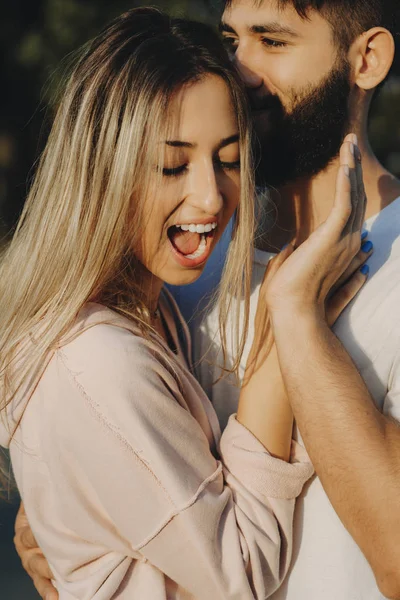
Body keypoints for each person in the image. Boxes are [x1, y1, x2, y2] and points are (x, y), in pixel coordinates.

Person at [0, 7, 371, 600]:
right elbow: (240, 573)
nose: (209, 195)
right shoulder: (97, 358)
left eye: (228, 160)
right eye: (172, 165)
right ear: (101, 170)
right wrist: (283, 341)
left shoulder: (155, 309)